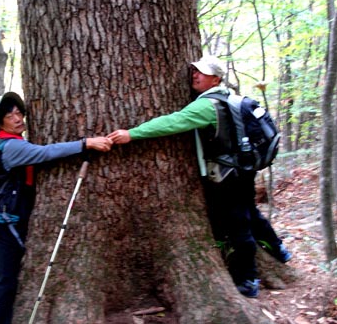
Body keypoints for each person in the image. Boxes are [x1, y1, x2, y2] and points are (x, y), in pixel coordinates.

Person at [107, 56, 291, 298]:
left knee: (238, 225)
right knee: (250, 213)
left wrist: (132, 134)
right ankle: (279, 249)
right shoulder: (231, 99)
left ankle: (248, 279)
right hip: (243, 169)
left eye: (202, 73)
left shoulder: (207, 106)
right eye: (194, 71)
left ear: (216, 79)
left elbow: (172, 122)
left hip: (227, 174)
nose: (195, 75)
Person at [0, 92, 112, 324]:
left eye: (18, 112)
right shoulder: (11, 146)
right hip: (7, 222)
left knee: (8, 277)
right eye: (9, 114)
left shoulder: (15, 142)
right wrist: (85, 143)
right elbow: (46, 153)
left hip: (11, 219)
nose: (17, 117)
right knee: (5, 279)